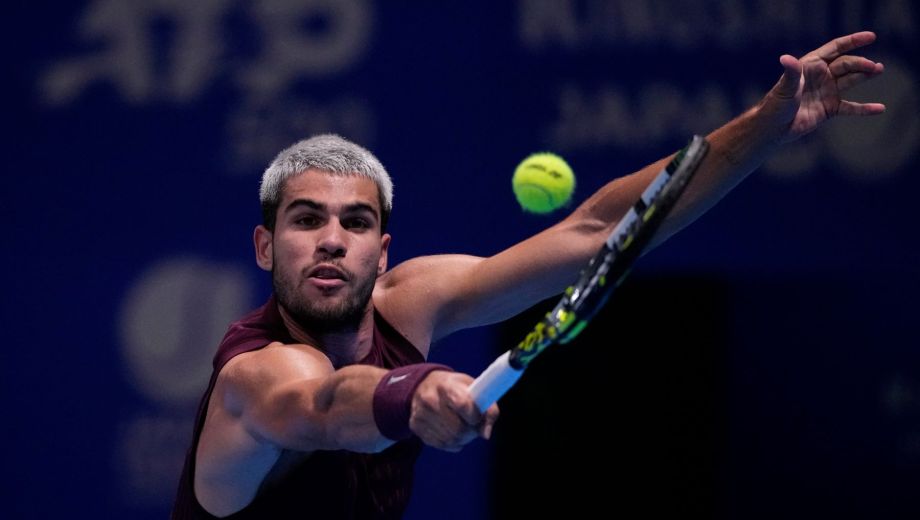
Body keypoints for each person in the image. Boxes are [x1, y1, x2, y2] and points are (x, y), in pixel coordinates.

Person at [172, 31, 885, 519]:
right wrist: (418, 388)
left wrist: (763, 124)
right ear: (265, 247)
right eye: (305, 221)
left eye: (354, 223)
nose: (331, 241)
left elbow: (601, 230)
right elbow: (325, 405)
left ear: (383, 251)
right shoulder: (254, 373)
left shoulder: (409, 301)